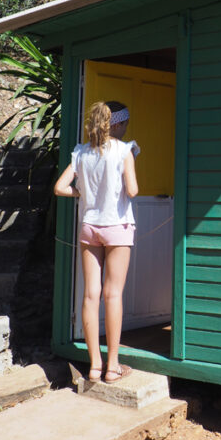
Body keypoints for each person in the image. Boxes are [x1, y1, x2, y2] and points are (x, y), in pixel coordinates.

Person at [54, 100, 139, 384]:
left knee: (90, 295)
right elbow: (133, 190)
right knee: (112, 295)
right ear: (117, 124)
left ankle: (93, 367)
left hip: (89, 228)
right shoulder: (125, 150)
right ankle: (112, 367)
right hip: (117, 226)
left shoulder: (81, 152)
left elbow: (60, 187)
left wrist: (82, 195)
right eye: (125, 124)